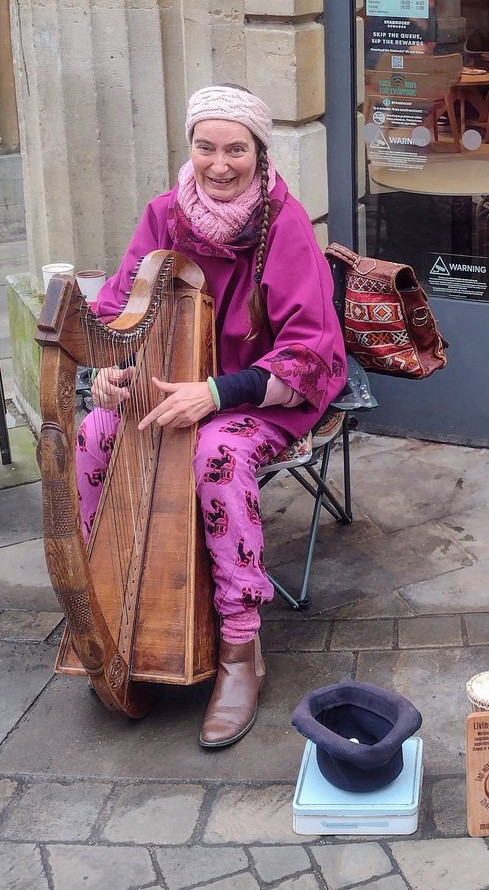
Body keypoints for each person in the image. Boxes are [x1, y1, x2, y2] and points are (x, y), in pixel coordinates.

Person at [75, 85, 347, 748]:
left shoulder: (283, 224)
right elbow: (117, 311)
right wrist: (108, 371)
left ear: (259, 152)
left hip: (260, 397)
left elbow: (310, 353)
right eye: (206, 147)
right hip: (172, 386)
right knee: (93, 432)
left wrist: (216, 392)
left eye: (236, 149)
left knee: (217, 453)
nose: (219, 164)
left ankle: (240, 649)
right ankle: (109, 608)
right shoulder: (164, 216)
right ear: (190, 147)